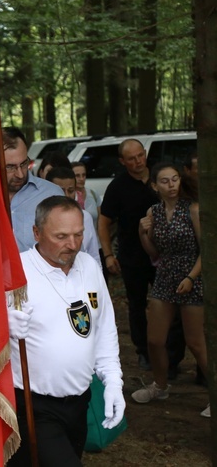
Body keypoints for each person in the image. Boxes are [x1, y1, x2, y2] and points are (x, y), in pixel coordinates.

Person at [6, 196, 124, 467]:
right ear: (36, 232)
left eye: (78, 234)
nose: (72, 245)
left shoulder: (89, 267)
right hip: (33, 406)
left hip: (79, 402)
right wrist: (3, 325)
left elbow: (104, 330)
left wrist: (113, 381)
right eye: (61, 236)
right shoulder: (15, 273)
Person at [130, 163, 209, 416]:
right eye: (165, 181)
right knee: (154, 340)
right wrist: (144, 234)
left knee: (196, 343)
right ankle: (160, 386)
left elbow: (205, 251)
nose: (171, 185)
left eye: (174, 179)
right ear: (155, 186)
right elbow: (155, 253)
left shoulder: (193, 210)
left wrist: (191, 277)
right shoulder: (153, 211)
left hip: (192, 276)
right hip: (165, 276)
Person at [98, 139, 159, 369]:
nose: (138, 162)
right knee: (137, 305)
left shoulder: (160, 176)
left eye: (140, 156)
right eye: (131, 158)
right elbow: (104, 223)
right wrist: (108, 255)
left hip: (165, 256)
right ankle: (143, 352)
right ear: (123, 161)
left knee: (172, 305)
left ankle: (171, 357)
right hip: (133, 256)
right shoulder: (118, 187)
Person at [3, 127, 64, 252]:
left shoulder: (51, 195)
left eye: (24, 163)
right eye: (10, 167)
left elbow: (70, 248)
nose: (20, 174)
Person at [46, 167, 101, 268]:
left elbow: (94, 256)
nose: (66, 195)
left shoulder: (86, 218)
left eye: (70, 191)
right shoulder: (41, 219)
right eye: (60, 190)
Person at [71, 161, 102, 232]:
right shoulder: (68, 197)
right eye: (77, 176)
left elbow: (100, 223)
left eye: (84, 175)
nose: (81, 179)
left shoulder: (93, 194)